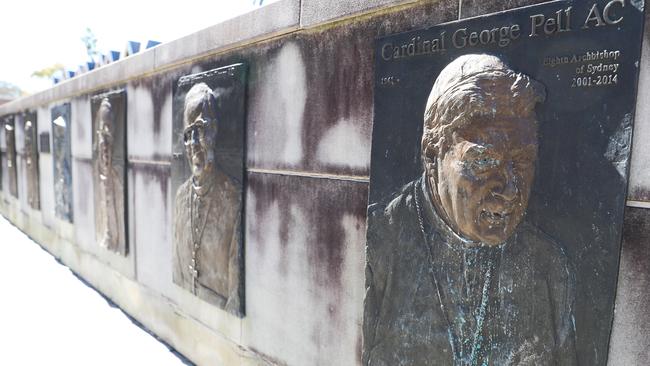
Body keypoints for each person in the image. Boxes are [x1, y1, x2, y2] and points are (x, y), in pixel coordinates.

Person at [363, 54, 577, 365]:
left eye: (522, 162)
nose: (510, 190)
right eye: (483, 161)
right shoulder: (380, 243)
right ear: (432, 155)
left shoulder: (548, 265)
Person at [172, 82, 242, 315]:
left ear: (214, 133)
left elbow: (234, 298)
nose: (193, 144)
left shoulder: (233, 199)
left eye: (200, 130)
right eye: (188, 134)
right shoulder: (180, 197)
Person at [94, 98, 126, 254]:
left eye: (109, 134)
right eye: (102, 134)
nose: (105, 144)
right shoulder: (96, 176)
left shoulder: (118, 183)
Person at [24, 119, 40, 209]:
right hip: (30, 164)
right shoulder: (28, 143)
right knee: (30, 181)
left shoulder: (30, 141)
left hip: (32, 165)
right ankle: (31, 199)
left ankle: (33, 199)